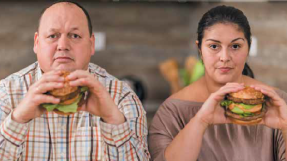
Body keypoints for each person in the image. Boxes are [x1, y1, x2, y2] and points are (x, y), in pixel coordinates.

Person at [0, 1, 150, 160]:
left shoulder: (122, 96)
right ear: (37, 43)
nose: (63, 45)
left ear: (91, 44)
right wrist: (18, 119)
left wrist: (113, 119)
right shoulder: (6, 93)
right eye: (53, 36)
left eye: (75, 35)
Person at [149, 5, 287, 161]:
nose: (224, 57)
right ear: (200, 49)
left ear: (247, 49)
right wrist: (200, 121)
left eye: (235, 46)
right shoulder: (171, 113)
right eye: (214, 46)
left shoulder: (279, 103)